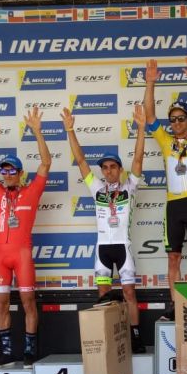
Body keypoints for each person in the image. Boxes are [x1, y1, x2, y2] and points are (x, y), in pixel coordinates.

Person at [0, 105, 51, 368]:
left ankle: (29, 351)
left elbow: (45, 163)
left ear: (20, 173)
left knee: (28, 302)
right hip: (0, 258)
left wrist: (37, 132)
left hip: (22, 255)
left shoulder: (32, 191)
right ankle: (6, 353)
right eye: (3, 171)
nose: (6, 175)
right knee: (1, 303)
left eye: (11, 171)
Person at [62, 104, 147, 354]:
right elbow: (80, 160)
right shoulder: (97, 189)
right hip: (102, 249)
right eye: (105, 167)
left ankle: (135, 336)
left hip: (123, 247)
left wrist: (141, 128)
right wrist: (70, 131)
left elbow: (138, 159)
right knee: (104, 294)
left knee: (129, 293)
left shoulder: (129, 187)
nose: (108, 171)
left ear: (120, 170)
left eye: (113, 167)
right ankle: (107, 338)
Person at [143, 55, 187, 320]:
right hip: (173, 205)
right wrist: (150, 83)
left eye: (182, 118)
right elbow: (150, 115)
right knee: (173, 258)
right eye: (173, 119)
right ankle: (174, 305)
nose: (177, 123)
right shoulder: (165, 141)